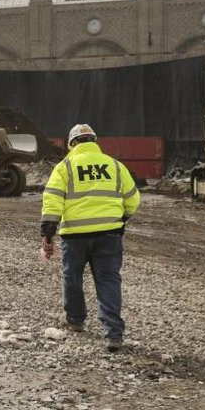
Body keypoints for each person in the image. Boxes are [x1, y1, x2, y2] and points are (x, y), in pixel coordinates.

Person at [40, 124, 140, 351]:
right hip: (109, 234)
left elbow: (53, 199)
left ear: (72, 143)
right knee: (108, 280)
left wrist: (48, 232)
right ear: (94, 141)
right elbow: (133, 199)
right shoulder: (114, 165)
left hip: (75, 236)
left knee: (72, 277)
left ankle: (75, 320)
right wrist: (120, 219)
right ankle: (113, 333)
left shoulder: (65, 166)